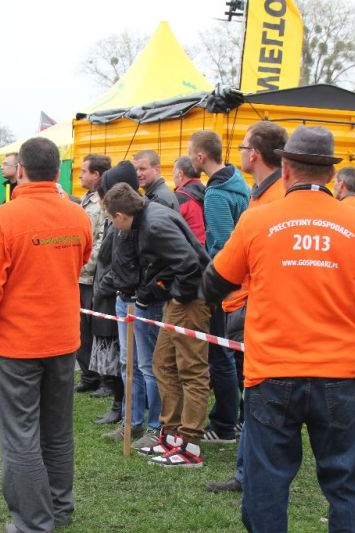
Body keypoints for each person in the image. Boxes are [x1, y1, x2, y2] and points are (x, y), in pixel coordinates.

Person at [204, 125, 355, 531]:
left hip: (272, 373)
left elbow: (213, 283)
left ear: (287, 169)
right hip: (338, 374)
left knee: (266, 484)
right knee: (345, 486)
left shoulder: (258, 221)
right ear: (331, 175)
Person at [0, 137, 92, 533]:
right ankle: (58, 507)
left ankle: (33, 521)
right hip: (62, 340)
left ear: (21, 171)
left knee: (21, 434)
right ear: (57, 171)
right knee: (56, 429)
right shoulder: (77, 216)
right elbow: (80, 260)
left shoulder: (6, 218)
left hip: (18, 345)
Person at [103, 183, 211, 467]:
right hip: (177, 300)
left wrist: (176, 298)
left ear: (121, 215)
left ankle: (190, 443)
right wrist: (153, 290)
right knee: (163, 364)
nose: (114, 227)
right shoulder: (149, 218)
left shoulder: (154, 225)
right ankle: (171, 434)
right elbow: (166, 266)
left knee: (191, 370)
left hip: (191, 300)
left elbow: (189, 265)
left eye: (112, 220)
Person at [207, 120, 288, 494]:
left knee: (260, 394)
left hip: (263, 311)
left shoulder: (276, 198)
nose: (237, 153)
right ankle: (246, 469)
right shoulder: (259, 193)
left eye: (241, 147)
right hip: (248, 306)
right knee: (250, 390)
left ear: (254, 153)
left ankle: (253, 472)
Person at [189, 129, 250, 444]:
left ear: (200, 157)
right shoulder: (239, 183)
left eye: (190, 152)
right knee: (232, 354)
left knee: (219, 354)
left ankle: (224, 423)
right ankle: (236, 418)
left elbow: (224, 245)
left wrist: (212, 283)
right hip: (245, 284)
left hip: (227, 287)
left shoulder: (215, 193)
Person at [102, 160, 164, 445]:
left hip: (142, 302)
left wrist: (142, 294)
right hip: (122, 297)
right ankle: (132, 421)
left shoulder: (144, 219)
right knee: (129, 365)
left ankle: (155, 426)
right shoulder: (119, 221)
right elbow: (111, 256)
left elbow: (152, 263)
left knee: (148, 367)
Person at [90, 163, 139, 425]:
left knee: (123, 356)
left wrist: (102, 286)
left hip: (115, 293)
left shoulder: (123, 221)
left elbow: (117, 261)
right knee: (117, 356)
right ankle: (119, 404)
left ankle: (121, 406)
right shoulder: (114, 220)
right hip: (109, 293)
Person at [75, 154, 110, 394]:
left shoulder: (103, 202)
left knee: (94, 328)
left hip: (90, 275)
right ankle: (88, 374)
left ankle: (101, 377)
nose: (80, 175)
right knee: (80, 328)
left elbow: (101, 240)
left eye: (84, 171)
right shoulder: (86, 200)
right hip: (79, 275)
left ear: (97, 175)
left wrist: (84, 265)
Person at [172, 156, 206, 246]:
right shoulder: (208, 193)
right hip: (207, 252)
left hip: (189, 253)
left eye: (173, 173)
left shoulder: (178, 199)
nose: (173, 178)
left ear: (180, 174)